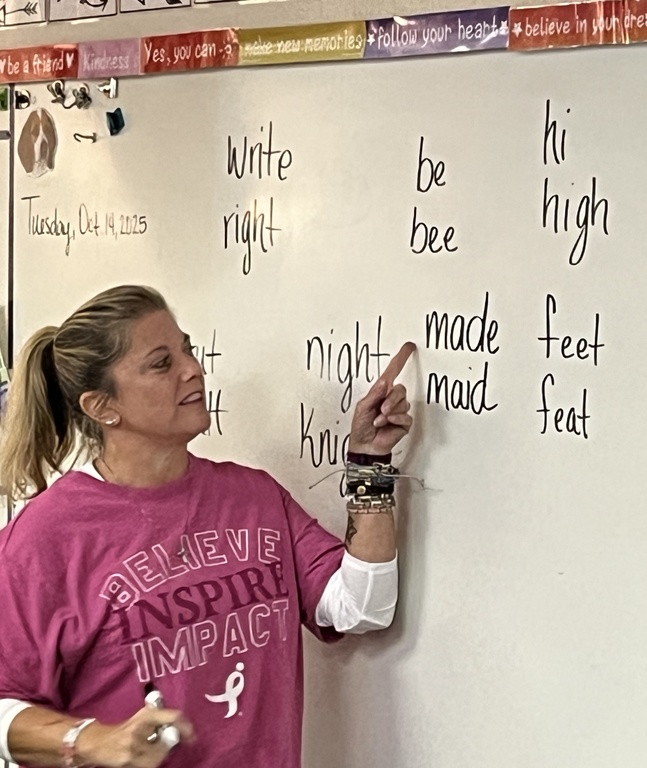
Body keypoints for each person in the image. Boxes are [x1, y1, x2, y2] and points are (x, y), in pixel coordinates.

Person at [0, 285, 415, 768]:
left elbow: (362, 607)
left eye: (187, 349)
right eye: (161, 362)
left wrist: (371, 463)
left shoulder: (254, 497)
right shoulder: (46, 537)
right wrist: (90, 740)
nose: (193, 369)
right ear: (100, 406)